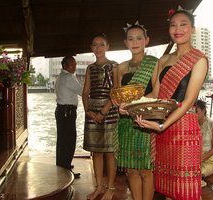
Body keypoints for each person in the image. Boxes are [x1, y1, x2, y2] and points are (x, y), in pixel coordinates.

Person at [136, 9, 208, 200]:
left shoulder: (198, 59)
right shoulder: (163, 60)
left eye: (183, 24)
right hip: (163, 130)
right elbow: (155, 94)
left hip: (184, 129)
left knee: (185, 191)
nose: (178, 29)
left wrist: (162, 125)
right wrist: (130, 105)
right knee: (169, 189)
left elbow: (189, 101)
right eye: (173, 25)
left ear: (192, 29)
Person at [114, 21, 158, 200]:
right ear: (125, 42)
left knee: (145, 169)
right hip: (125, 122)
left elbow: (156, 92)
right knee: (131, 168)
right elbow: (117, 95)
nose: (135, 42)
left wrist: (135, 105)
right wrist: (120, 105)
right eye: (130, 39)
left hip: (145, 120)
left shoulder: (154, 63)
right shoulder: (120, 67)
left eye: (139, 38)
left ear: (147, 40)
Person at [82, 33, 119, 200]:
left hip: (110, 110)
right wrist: (88, 110)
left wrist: (103, 110)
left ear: (108, 46)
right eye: (95, 45)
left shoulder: (115, 66)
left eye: (101, 44)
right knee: (96, 152)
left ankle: (110, 188)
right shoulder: (90, 68)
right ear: (91, 48)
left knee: (110, 152)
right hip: (92, 110)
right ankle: (98, 187)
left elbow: (117, 92)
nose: (98, 48)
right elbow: (85, 92)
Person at [55, 56, 83, 178]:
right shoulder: (68, 77)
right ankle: (65, 168)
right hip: (67, 112)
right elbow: (82, 92)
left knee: (62, 140)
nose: (74, 66)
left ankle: (62, 165)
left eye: (75, 64)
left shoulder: (61, 76)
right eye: (72, 64)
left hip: (62, 111)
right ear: (64, 66)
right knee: (69, 140)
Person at [195, 99, 213, 187]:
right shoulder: (191, 124)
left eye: (196, 112)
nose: (194, 115)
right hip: (194, 159)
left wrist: (199, 160)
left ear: (204, 110)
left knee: (195, 173)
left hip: (209, 160)